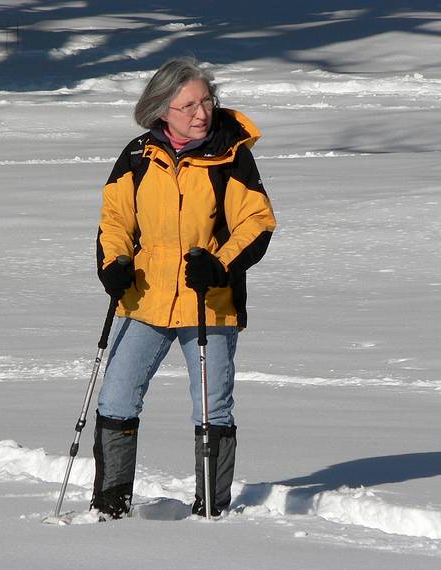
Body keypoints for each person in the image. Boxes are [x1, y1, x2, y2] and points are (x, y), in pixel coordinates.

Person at [91, 57, 276, 519]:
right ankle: (110, 506)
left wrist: (219, 265)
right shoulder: (138, 154)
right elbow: (115, 218)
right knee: (116, 394)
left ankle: (211, 509)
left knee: (212, 406)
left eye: (206, 101)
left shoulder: (230, 156)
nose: (202, 112)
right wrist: (114, 263)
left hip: (207, 300)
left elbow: (256, 224)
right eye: (189, 104)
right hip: (145, 297)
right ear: (162, 109)